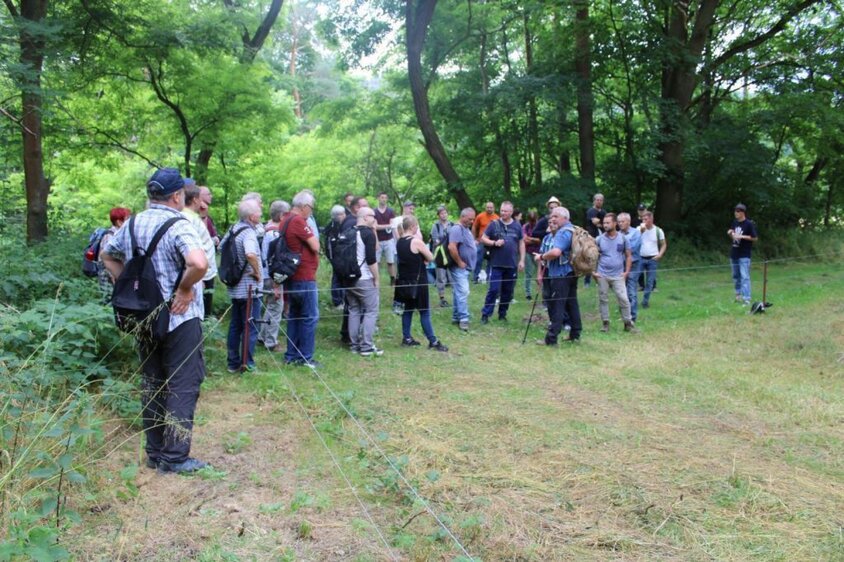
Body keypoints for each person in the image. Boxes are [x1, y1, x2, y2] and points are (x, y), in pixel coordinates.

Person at [101, 167, 209, 474]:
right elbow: (198, 262)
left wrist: (126, 284)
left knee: (152, 381)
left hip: (144, 315)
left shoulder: (132, 223)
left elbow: (107, 255)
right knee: (183, 383)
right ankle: (174, 457)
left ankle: (155, 451)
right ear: (176, 196)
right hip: (179, 316)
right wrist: (184, 288)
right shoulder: (178, 224)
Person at [395, 215, 448, 352]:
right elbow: (431, 257)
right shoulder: (416, 242)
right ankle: (433, 341)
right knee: (424, 312)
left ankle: (407, 338)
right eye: (417, 226)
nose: (417, 229)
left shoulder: (399, 241)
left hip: (405, 281)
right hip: (418, 281)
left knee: (408, 310)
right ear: (412, 227)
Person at [223, 199, 263, 372]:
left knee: (236, 325)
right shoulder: (248, 233)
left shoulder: (233, 229)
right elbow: (250, 254)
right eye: (259, 213)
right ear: (252, 216)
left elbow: (221, 247)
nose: (261, 215)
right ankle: (247, 364)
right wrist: (257, 272)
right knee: (250, 326)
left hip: (235, 286)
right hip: (249, 289)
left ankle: (232, 363)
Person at [282, 191, 321, 367]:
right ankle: (305, 357)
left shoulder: (285, 219)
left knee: (295, 316)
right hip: (303, 276)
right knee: (309, 317)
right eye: (311, 208)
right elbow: (315, 245)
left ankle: (291, 355)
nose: (311, 212)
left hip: (292, 275)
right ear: (304, 206)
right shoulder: (298, 221)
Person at [536, 207, 582, 344]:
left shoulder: (563, 232)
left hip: (560, 274)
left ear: (565, 218)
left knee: (558, 305)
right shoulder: (573, 230)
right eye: (552, 217)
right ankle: (575, 334)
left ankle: (551, 338)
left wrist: (541, 257)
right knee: (572, 303)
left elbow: (556, 252)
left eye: (556, 216)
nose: (553, 219)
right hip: (572, 272)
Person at [479, 201, 525, 323]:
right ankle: (485, 314)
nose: (503, 213)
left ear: (511, 212)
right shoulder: (494, 224)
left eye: (505, 211)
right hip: (496, 264)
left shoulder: (517, 226)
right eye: (501, 210)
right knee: (493, 289)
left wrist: (522, 260)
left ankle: (502, 314)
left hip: (511, 264)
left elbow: (521, 243)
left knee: (507, 291)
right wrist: (494, 243)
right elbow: (483, 239)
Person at [346, 207, 382, 356]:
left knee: (354, 310)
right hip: (364, 278)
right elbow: (371, 259)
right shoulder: (367, 233)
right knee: (371, 311)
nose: (374, 219)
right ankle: (366, 346)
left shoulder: (348, 232)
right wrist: (377, 278)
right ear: (365, 217)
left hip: (348, 278)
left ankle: (354, 345)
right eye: (373, 216)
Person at [594, 214, 637, 333]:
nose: (605, 225)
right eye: (604, 223)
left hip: (618, 275)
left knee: (624, 299)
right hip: (602, 274)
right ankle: (605, 324)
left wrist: (626, 272)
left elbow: (628, 256)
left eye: (608, 223)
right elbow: (592, 257)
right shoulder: (599, 239)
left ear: (615, 224)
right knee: (603, 299)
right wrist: (593, 272)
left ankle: (628, 324)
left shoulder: (623, 239)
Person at [181, 181, 217, 321]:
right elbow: (191, 249)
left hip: (204, 273)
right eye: (201, 199)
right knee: (199, 311)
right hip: (200, 274)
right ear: (195, 200)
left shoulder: (193, 217)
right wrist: (198, 278)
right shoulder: (187, 218)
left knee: (205, 308)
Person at [259, 200, 290, 352]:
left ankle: (262, 335)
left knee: (271, 305)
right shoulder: (275, 233)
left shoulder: (266, 229)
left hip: (266, 274)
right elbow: (275, 258)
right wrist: (276, 282)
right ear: (281, 215)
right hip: (272, 275)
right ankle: (271, 341)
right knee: (277, 307)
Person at [448, 208, 477, 332]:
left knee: (458, 292)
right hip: (458, 267)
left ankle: (456, 316)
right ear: (463, 216)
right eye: (470, 219)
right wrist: (459, 262)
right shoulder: (457, 229)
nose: (472, 221)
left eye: (473, 219)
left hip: (464, 268)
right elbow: (452, 247)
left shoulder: (466, 229)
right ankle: (464, 319)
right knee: (463, 292)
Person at [97, 207, 131, 303]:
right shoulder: (110, 236)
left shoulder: (120, 234)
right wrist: (112, 275)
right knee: (109, 298)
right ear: (119, 222)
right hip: (107, 273)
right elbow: (104, 256)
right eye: (127, 219)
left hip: (115, 272)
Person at [728, 203, 758, 305]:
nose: (735, 213)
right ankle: (738, 296)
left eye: (738, 211)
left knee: (745, 277)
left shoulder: (749, 224)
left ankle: (747, 299)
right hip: (734, 253)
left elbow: (755, 238)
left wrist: (742, 236)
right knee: (736, 276)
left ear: (743, 212)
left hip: (744, 254)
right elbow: (733, 235)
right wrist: (730, 233)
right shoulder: (735, 223)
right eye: (735, 211)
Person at [638, 211, 667, 309]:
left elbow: (663, 244)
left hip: (653, 259)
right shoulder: (638, 229)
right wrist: (641, 231)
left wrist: (660, 255)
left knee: (650, 282)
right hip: (640, 258)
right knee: (635, 278)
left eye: (646, 219)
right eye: (643, 219)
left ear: (651, 219)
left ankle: (645, 302)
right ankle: (632, 300)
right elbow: (633, 241)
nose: (644, 221)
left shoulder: (658, 231)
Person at [617, 212, 642, 323]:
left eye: (622, 221)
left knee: (631, 291)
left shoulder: (636, 233)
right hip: (620, 265)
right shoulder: (617, 234)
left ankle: (632, 317)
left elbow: (631, 248)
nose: (620, 224)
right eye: (619, 222)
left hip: (633, 265)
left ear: (628, 221)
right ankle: (624, 315)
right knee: (621, 291)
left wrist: (621, 247)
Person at [198, 186, 219, 315]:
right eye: (208, 194)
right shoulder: (194, 218)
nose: (211, 196)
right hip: (199, 267)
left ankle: (207, 319)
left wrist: (215, 238)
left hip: (209, 267)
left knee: (208, 299)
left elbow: (209, 235)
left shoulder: (208, 218)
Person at [324, 204, 348, 308]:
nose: (342, 216)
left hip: (345, 257)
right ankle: (337, 301)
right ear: (334, 216)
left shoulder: (345, 225)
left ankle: (345, 300)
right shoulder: (331, 228)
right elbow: (329, 246)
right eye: (339, 214)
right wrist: (332, 259)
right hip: (335, 257)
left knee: (345, 278)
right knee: (337, 278)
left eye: (343, 214)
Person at [430, 205, 453, 307]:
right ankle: (442, 298)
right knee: (441, 277)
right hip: (440, 255)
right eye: (441, 213)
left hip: (451, 254)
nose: (444, 215)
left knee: (452, 276)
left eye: (445, 213)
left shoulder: (452, 225)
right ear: (438, 215)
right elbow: (435, 241)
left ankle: (456, 297)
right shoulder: (435, 226)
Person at [373, 191, 397, 285]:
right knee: (377, 262)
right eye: (382, 197)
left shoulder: (390, 211)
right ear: (378, 198)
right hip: (377, 240)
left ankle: (393, 280)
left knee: (390, 261)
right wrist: (387, 226)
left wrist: (381, 226)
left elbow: (392, 225)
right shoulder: (374, 211)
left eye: (385, 198)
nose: (384, 199)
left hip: (389, 239)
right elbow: (375, 227)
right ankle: (376, 280)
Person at [471, 201, 499, 283]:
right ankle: (475, 277)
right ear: (485, 208)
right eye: (488, 207)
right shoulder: (480, 216)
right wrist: (474, 239)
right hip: (481, 242)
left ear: (494, 208)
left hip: (492, 243)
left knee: (491, 261)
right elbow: (474, 227)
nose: (489, 209)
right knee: (478, 260)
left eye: (491, 207)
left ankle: (488, 278)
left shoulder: (497, 218)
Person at [584, 193, 606, 288]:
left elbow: (604, 223)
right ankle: (587, 281)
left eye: (601, 200)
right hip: (591, 237)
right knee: (591, 258)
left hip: (603, 237)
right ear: (594, 201)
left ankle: (601, 279)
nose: (599, 201)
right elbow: (595, 221)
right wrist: (602, 223)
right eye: (597, 200)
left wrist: (601, 223)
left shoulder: (604, 212)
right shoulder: (591, 211)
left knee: (601, 258)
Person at [522, 209, 540, 301]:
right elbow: (524, 240)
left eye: (534, 220)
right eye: (531, 220)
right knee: (528, 273)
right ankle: (528, 293)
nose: (532, 222)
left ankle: (543, 291)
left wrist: (530, 239)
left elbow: (540, 240)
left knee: (541, 273)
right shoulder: (525, 227)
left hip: (539, 252)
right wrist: (534, 239)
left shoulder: (540, 226)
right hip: (528, 252)